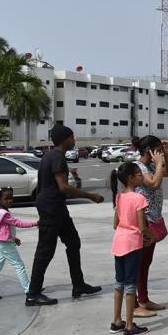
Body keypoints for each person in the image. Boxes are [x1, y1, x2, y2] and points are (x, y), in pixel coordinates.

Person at [26, 125, 104, 306]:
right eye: (72, 138)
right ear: (64, 139)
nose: (74, 141)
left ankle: (78, 285)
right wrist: (90, 196)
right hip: (51, 209)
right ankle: (33, 294)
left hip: (57, 208)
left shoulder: (52, 156)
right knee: (45, 251)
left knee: (73, 242)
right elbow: (63, 187)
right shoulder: (57, 158)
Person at [109, 162, 153, 335]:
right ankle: (129, 325)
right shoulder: (139, 198)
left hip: (118, 242)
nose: (142, 176)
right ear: (131, 178)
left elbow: (115, 224)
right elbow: (142, 227)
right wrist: (151, 235)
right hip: (133, 244)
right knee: (130, 284)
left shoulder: (119, 197)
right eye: (139, 174)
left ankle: (116, 320)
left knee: (119, 283)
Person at [132, 135, 168, 318]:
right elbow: (154, 184)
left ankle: (144, 299)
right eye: (157, 149)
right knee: (137, 263)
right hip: (144, 221)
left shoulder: (152, 166)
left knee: (146, 263)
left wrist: (166, 154)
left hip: (154, 218)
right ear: (149, 150)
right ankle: (133, 304)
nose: (159, 152)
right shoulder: (138, 168)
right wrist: (158, 163)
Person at [0, 188, 38, 300]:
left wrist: (13, 238)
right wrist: (36, 223)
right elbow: (19, 223)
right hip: (5, 244)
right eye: (6, 198)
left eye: (11, 198)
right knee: (19, 265)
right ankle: (29, 291)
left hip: (1, 242)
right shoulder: (4, 214)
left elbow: (3, 229)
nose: (10, 201)